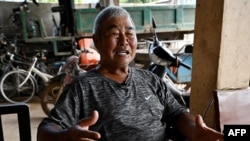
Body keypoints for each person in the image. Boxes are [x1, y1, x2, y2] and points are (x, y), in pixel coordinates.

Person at [37, 6, 223, 141]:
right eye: (114, 34)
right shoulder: (83, 87)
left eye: (130, 33)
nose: (124, 41)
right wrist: (66, 137)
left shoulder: (151, 80)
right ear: (98, 41)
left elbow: (177, 115)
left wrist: (195, 131)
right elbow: (45, 131)